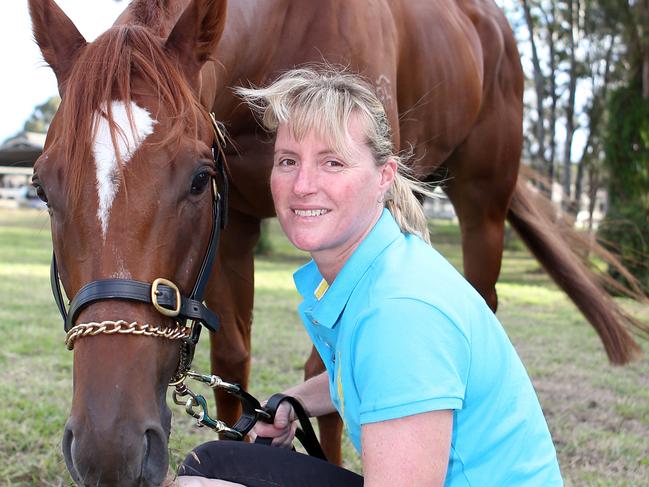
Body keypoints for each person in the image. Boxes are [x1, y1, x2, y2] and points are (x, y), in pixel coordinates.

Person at [174, 67, 563, 487]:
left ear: (384, 178)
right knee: (212, 466)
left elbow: (391, 353)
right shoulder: (381, 270)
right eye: (288, 161)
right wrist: (294, 400)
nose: (302, 185)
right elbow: (369, 372)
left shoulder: (399, 313)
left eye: (332, 162)